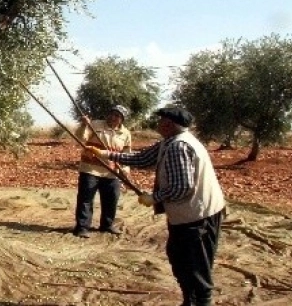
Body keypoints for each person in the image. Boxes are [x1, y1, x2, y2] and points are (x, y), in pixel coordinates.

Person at [87, 106, 226, 306]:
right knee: (179, 259)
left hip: (197, 217)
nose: (158, 124)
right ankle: (190, 301)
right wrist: (104, 154)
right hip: (189, 215)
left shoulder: (179, 147)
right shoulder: (169, 143)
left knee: (195, 267)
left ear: (169, 124)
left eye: (161, 121)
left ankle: (201, 302)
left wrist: (155, 197)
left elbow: (182, 187)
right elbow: (141, 158)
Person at [73, 105, 132, 238]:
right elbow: (80, 138)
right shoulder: (94, 125)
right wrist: (84, 125)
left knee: (112, 199)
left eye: (117, 116)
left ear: (122, 120)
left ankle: (107, 225)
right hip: (90, 169)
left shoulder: (126, 134)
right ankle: (82, 227)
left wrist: (125, 170)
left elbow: (126, 155)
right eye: (112, 114)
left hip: (111, 172)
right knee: (86, 198)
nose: (113, 117)